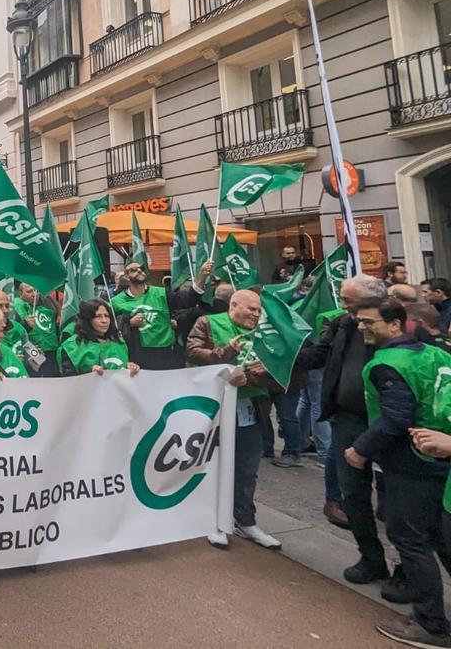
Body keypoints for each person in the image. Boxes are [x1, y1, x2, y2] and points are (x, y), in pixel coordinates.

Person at [346, 299, 451, 648]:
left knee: (409, 538)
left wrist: (360, 448)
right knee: (439, 536)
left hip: (410, 462)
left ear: (395, 325)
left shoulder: (387, 364)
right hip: (440, 460)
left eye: (368, 322)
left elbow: (395, 418)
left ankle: (430, 624)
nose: (362, 328)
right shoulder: (437, 354)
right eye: (359, 322)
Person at [295, 274, 391, 581]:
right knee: (353, 493)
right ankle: (371, 558)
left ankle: (408, 570)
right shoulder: (340, 324)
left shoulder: (398, 324)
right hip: (347, 420)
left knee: (399, 502)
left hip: (390, 421)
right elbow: (317, 356)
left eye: (348, 298)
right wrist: (282, 352)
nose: (342, 303)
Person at [186, 289, 279, 550]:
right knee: (215, 465)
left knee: (247, 469)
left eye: (259, 311)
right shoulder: (207, 323)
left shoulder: (265, 333)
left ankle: (246, 521)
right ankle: (214, 520)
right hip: (214, 410)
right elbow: (193, 353)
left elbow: (278, 372)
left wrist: (249, 378)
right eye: (251, 309)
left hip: (252, 409)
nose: (256, 314)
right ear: (234, 304)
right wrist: (228, 352)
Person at [111, 258, 212, 370]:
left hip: (165, 351)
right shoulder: (116, 301)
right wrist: (128, 322)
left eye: (141, 268)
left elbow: (188, 300)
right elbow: (111, 326)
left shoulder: (161, 293)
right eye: (133, 270)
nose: (139, 271)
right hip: (136, 353)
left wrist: (201, 276)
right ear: (126, 277)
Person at [58, 300, 140, 377]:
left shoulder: (119, 342)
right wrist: (90, 374)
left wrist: (131, 368)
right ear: (88, 319)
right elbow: (69, 382)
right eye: (98, 316)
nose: (104, 320)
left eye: (106, 316)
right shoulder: (72, 347)